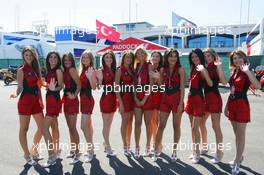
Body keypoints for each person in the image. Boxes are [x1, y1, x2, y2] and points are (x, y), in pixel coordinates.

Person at [225, 50, 261, 174]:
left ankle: (237, 161)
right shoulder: (233, 72)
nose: (237, 60)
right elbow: (231, 91)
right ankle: (239, 157)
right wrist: (226, 107)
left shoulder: (247, 71)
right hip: (232, 104)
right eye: (235, 58)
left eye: (239, 57)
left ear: (244, 58)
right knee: (237, 135)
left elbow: (258, 86)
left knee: (241, 135)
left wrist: (248, 72)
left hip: (242, 105)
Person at [10, 46, 44, 165]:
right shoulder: (21, 70)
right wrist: (15, 94)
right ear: (23, 56)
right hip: (25, 102)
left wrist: (41, 100)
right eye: (26, 55)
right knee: (24, 129)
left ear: (33, 56)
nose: (29, 57)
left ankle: (34, 150)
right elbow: (19, 87)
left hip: (36, 102)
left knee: (43, 127)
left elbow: (38, 87)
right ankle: (26, 154)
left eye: (30, 55)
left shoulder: (36, 68)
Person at [153, 48, 185, 162]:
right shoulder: (162, 69)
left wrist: (181, 103)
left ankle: (174, 151)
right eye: (171, 56)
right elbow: (161, 85)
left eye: (175, 56)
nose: (173, 58)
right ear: (166, 57)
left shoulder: (181, 69)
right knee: (161, 125)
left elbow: (182, 88)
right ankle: (156, 150)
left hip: (177, 100)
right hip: (165, 99)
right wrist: (157, 79)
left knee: (176, 127)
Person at [185, 48, 213, 164]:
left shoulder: (203, 68)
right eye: (192, 57)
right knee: (192, 127)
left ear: (200, 57)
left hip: (199, 100)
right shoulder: (193, 68)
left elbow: (210, 83)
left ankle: (197, 153)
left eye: (196, 56)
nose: (194, 58)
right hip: (191, 99)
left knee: (195, 127)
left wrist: (204, 71)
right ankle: (195, 150)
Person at [201, 48, 227, 164]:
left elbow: (224, 82)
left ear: (213, 56)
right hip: (205, 99)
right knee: (201, 122)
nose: (207, 58)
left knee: (215, 126)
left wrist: (219, 66)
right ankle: (205, 146)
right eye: (205, 56)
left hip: (215, 98)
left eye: (209, 56)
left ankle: (219, 152)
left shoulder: (216, 66)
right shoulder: (204, 67)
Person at [42, 51, 63, 167]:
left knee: (44, 128)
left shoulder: (58, 70)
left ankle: (51, 156)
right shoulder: (48, 70)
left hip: (54, 100)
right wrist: (47, 85)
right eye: (51, 57)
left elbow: (61, 86)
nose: (53, 59)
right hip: (49, 99)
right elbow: (49, 84)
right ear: (48, 59)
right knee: (54, 127)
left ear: (58, 59)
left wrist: (53, 89)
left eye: (55, 57)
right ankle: (57, 150)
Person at [133, 45, 153, 158]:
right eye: (138, 53)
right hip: (137, 97)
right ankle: (137, 147)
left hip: (147, 97)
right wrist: (136, 97)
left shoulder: (149, 65)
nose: (140, 55)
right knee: (138, 123)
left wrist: (145, 98)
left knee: (147, 123)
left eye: (142, 53)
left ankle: (147, 147)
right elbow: (134, 84)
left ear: (145, 54)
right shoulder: (135, 66)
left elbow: (151, 84)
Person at [96, 50, 118, 156]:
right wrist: (100, 79)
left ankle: (105, 142)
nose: (108, 59)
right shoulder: (101, 70)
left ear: (113, 59)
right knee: (105, 124)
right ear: (103, 59)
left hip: (114, 98)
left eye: (110, 57)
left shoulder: (115, 69)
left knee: (109, 124)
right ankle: (108, 147)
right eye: (106, 57)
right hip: (106, 98)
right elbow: (98, 87)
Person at [62, 52, 81, 164]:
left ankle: (78, 152)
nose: (67, 62)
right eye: (65, 61)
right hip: (66, 99)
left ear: (72, 61)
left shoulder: (72, 70)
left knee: (73, 128)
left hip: (72, 100)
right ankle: (73, 149)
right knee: (70, 127)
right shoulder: (65, 70)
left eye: (69, 60)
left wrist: (74, 95)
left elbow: (79, 85)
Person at [115, 50, 135, 156]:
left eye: (131, 57)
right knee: (125, 122)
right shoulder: (119, 70)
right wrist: (120, 103)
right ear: (123, 58)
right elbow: (116, 88)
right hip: (124, 99)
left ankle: (129, 143)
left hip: (132, 98)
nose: (129, 59)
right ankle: (124, 145)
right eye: (127, 57)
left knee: (130, 122)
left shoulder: (132, 69)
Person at [79, 50, 97, 162]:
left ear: (91, 59)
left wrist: (91, 77)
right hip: (82, 99)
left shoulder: (91, 70)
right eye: (83, 57)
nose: (85, 59)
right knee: (88, 125)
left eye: (87, 57)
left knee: (83, 126)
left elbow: (94, 87)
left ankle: (90, 150)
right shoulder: (82, 69)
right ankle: (91, 148)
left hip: (88, 99)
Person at [149, 51, 163, 150]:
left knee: (155, 121)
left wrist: (158, 79)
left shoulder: (161, 69)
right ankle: (155, 142)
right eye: (153, 56)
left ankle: (157, 143)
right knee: (151, 121)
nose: (155, 58)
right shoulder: (150, 67)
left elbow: (161, 86)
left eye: (157, 56)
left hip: (157, 95)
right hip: (149, 95)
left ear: (160, 58)